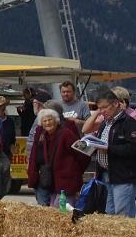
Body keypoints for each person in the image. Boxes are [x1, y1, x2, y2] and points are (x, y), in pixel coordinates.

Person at [26, 108, 86, 207]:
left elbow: (84, 151)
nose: (48, 123)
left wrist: (76, 170)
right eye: (44, 121)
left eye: (50, 119)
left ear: (56, 120)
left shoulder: (66, 134)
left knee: (64, 211)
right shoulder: (44, 136)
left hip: (67, 181)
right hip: (53, 183)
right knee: (54, 211)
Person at [91, 90, 136, 218]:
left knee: (122, 217)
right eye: (99, 108)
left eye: (104, 107)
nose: (102, 111)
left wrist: (109, 148)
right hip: (105, 174)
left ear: (116, 104)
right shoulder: (104, 124)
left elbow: (133, 149)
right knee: (109, 216)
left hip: (123, 177)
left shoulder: (129, 123)